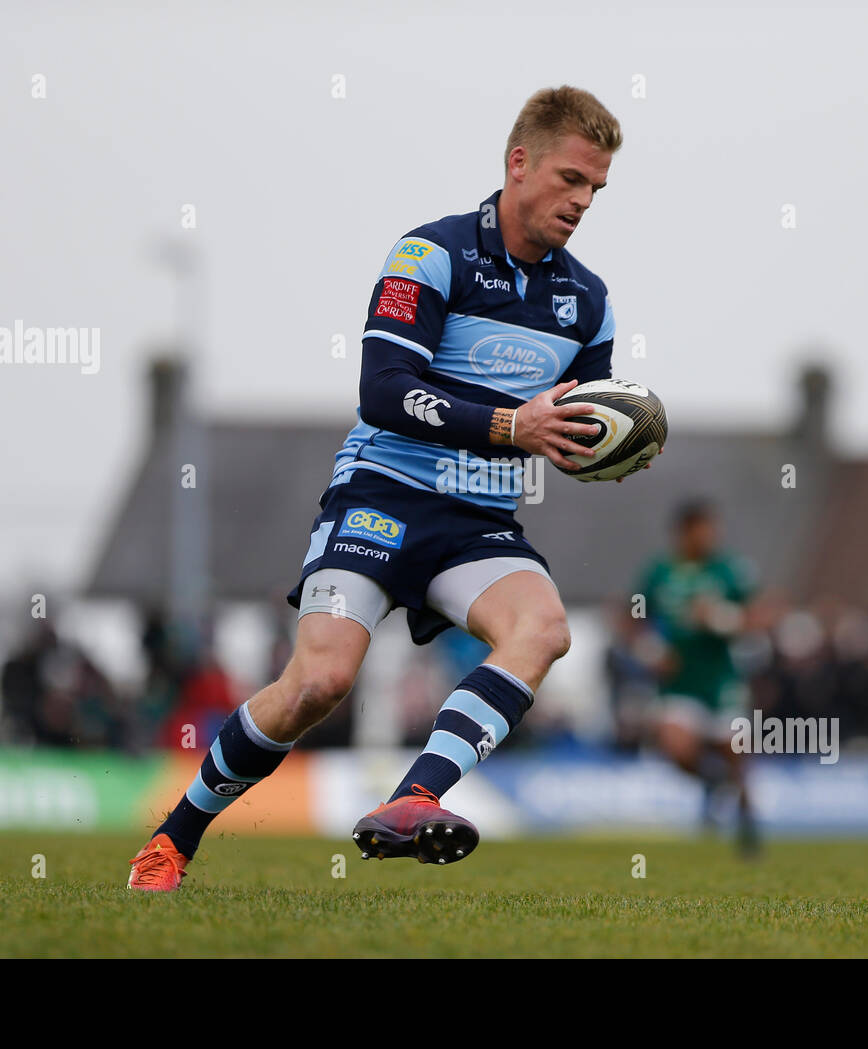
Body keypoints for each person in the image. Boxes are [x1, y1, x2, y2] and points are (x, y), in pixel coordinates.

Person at [128, 85, 649, 890]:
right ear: (519, 164)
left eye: (596, 189)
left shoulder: (590, 302)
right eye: (572, 179)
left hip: (478, 521)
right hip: (380, 498)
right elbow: (384, 388)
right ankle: (175, 836)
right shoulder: (429, 255)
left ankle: (413, 797)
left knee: (543, 628)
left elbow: (575, 426)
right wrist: (514, 427)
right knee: (319, 683)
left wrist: (599, 448)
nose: (583, 202)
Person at [636, 500, 763, 856]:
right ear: (685, 532)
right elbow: (635, 616)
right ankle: (712, 781)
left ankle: (748, 823)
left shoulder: (730, 570)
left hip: (721, 677)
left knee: (736, 753)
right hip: (680, 680)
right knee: (675, 748)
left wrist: (724, 619)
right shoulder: (660, 572)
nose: (711, 537)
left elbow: (762, 614)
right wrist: (651, 649)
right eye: (704, 530)